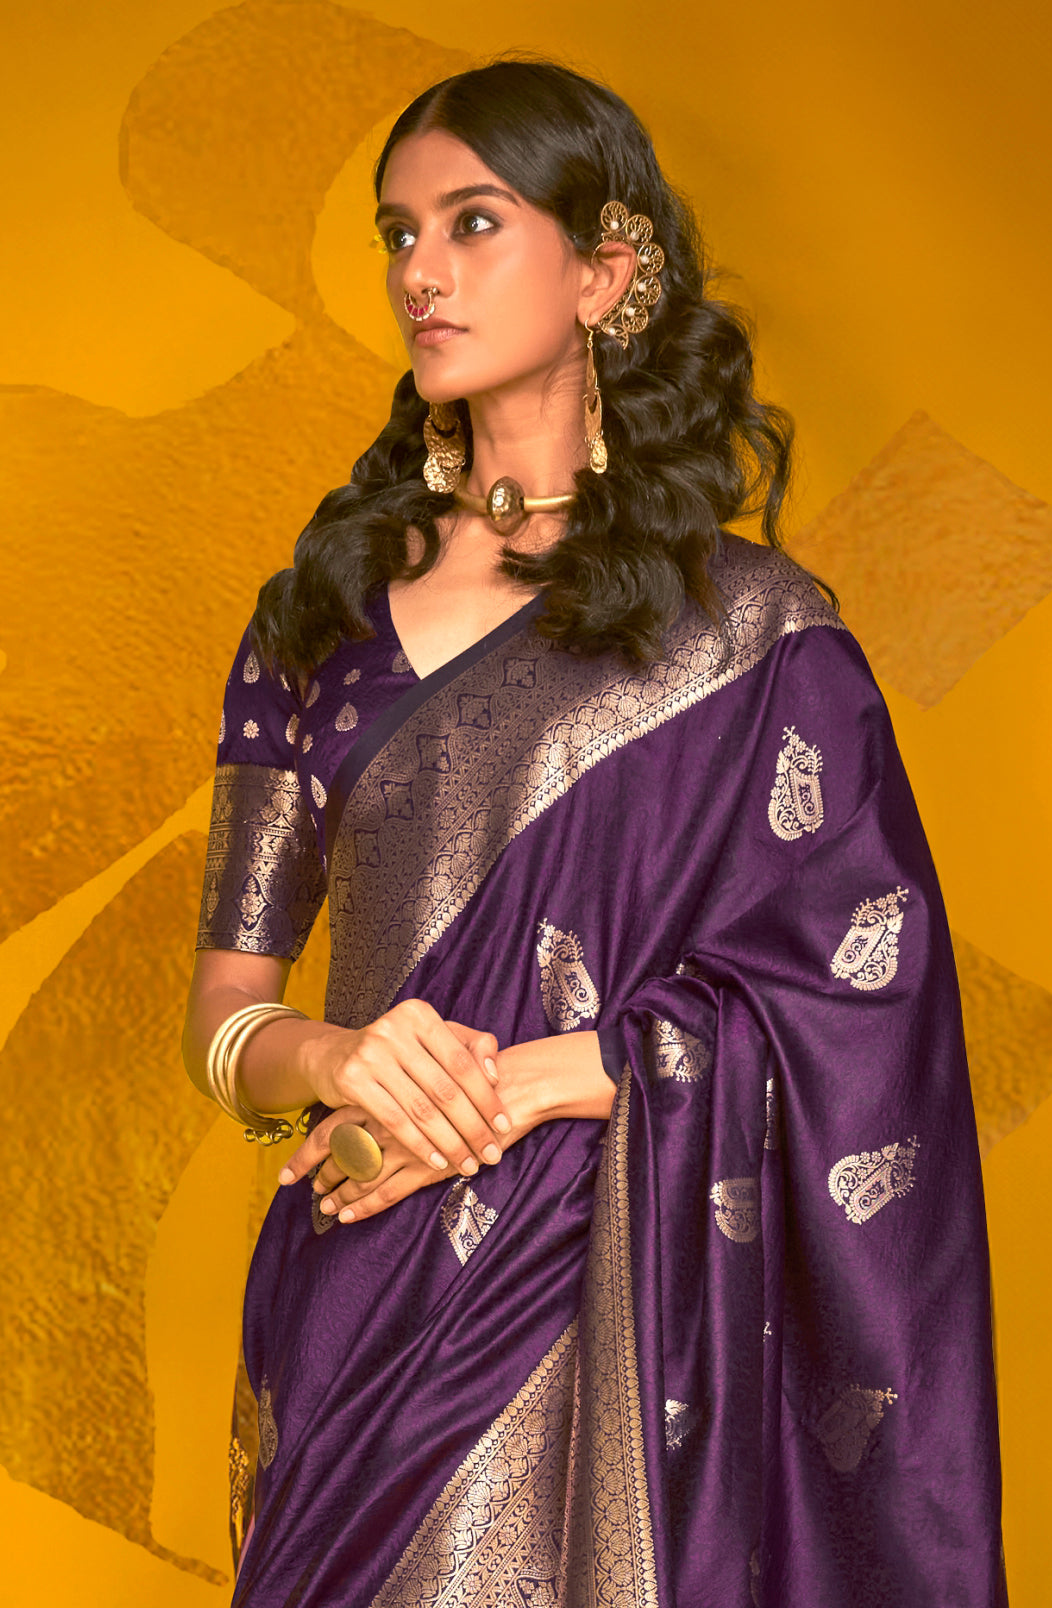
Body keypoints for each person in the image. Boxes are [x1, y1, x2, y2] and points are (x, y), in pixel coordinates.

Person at [182, 57, 1006, 1608]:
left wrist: (544, 1077)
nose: (419, 272)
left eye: (472, 222)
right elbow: (224, 1013)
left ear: (606, 272)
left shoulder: (751, 635)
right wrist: (338, 1059)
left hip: (615, 1286)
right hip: (360, 1274)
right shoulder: (316, 617)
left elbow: (865, 999)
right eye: (398, 232)